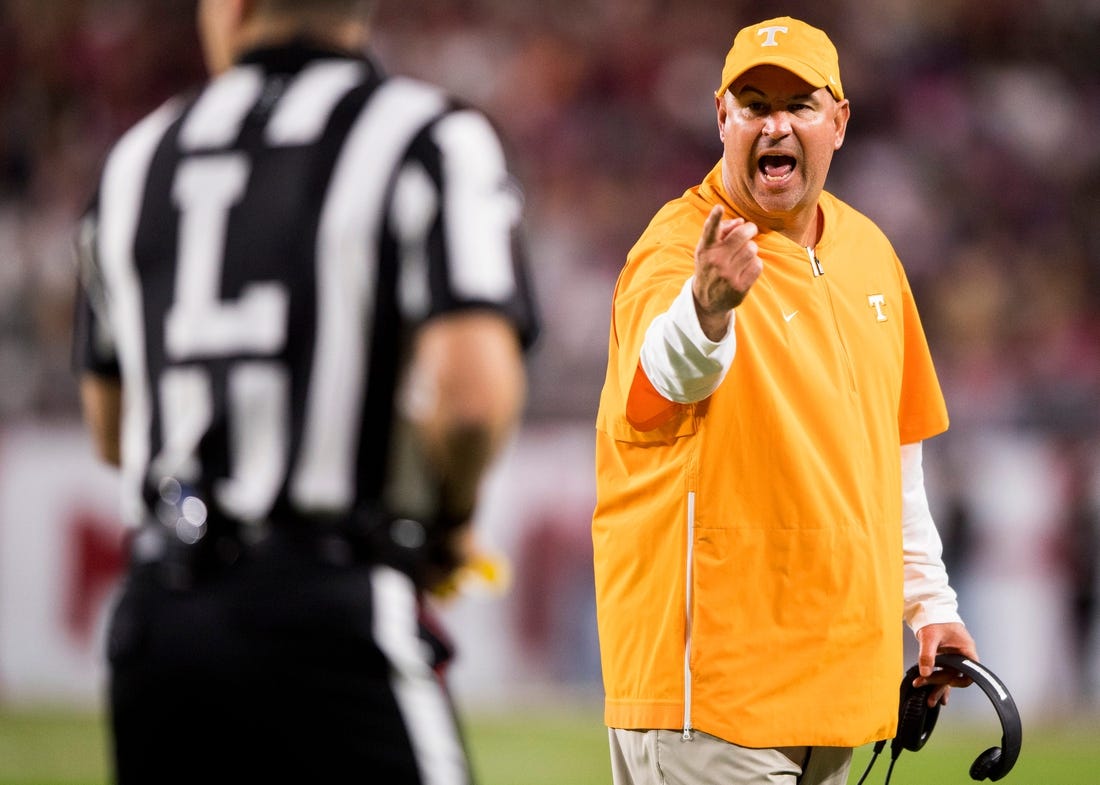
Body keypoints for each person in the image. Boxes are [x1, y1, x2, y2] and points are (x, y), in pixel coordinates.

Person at [71, 1, 538, 783]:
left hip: (159, 629)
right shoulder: (426, 137)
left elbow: (112, 427)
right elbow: (470, 399)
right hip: (330, 609)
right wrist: (448, 524)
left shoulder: (136, 158)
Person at [591, 16, 977, 785]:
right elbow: (661, 387)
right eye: (754, 103)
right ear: (722, 119)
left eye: (798, 104)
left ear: (838, 121)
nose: (775, 123)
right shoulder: (680, 251)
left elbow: (893, 458)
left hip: (836, 696)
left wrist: (931, 605)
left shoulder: (869, 251)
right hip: (716, 698)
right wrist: (707, 309)